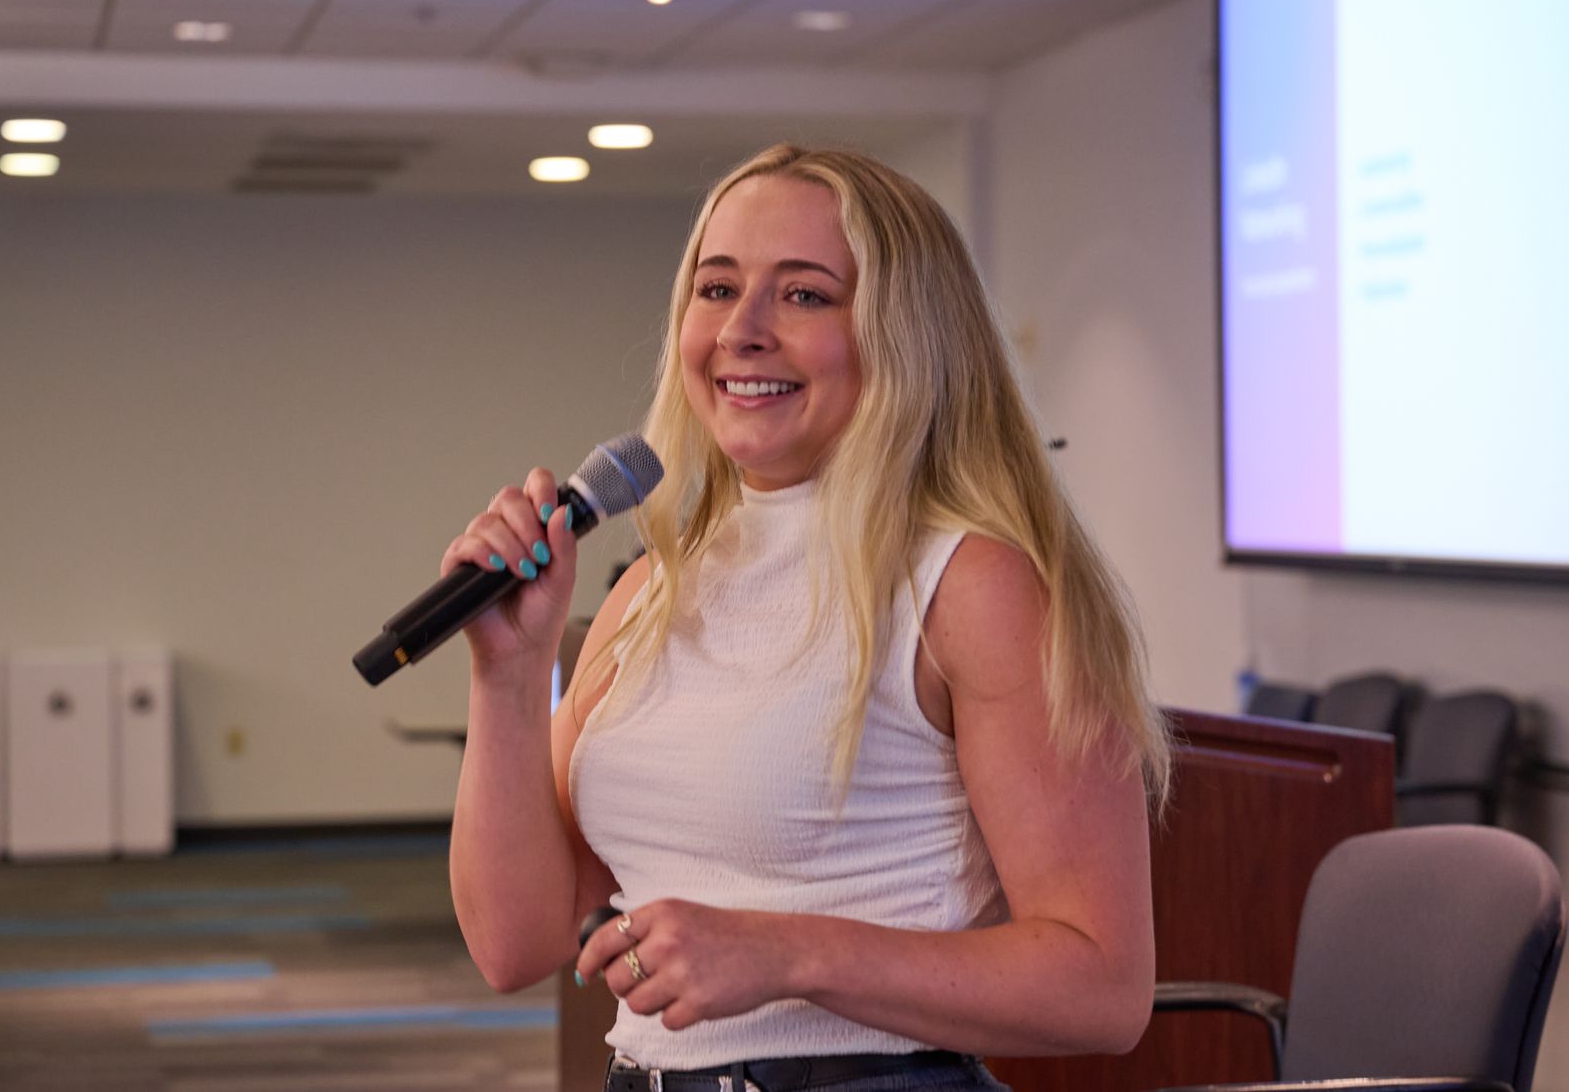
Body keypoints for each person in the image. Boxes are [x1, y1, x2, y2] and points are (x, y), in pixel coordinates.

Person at [444, 144, 1172, 1092]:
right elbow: (514, 941)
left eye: (804, 295)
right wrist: (507, 671)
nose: (742, 330)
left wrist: (786, 952)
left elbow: (1103, 987)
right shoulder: (652, 589)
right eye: (716, 288)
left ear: (902, 333)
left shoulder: (971, 582)